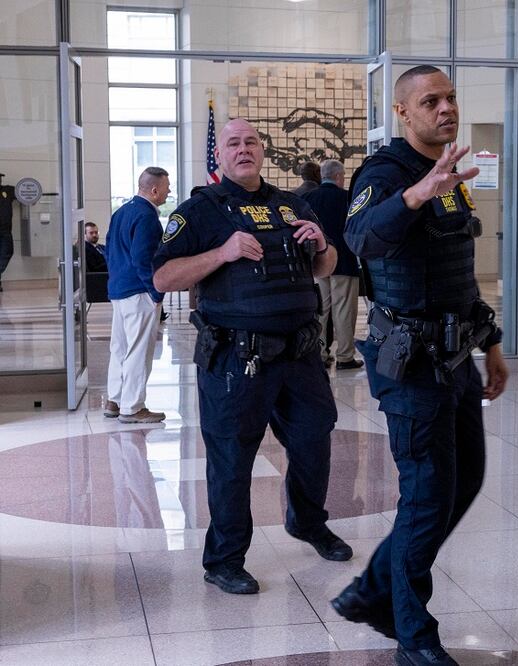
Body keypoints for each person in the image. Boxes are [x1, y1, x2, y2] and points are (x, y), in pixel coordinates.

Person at [331, 65, 509, 666]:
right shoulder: (384, 173)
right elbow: (360, 238)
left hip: (456, 359)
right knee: (428, 496)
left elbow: (458, 273)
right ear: (404, 112)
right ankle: (413, 634)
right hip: (409, 365)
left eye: (451, 98)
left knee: (464, 482)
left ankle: (370, 592)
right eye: (431, 101)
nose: (446, 108)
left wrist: (492, 343)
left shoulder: (452, 177)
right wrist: (414, 195)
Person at [152, 118, 351, 596]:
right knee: (232, 458)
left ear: (263, 150)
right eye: (234, 143)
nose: (244, 150)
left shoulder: (292, 204)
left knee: (313, 438)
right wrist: (220, 253)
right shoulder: (199, 211)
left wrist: (322, 245)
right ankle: (223, 560)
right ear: (219, 154)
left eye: (252, 142)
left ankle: (307, 522)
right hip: (236, 358)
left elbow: (326, 266)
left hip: (300, 355)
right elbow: (163, 278)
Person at [104, 167, 170, 423]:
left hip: (119, 289)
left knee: (119, 347)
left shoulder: (122, 211)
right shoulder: (146, 216)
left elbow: (109, 249)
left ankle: (115, 400)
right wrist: (155, 290)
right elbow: (143, 258)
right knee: (138, 350)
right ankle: (132, 407)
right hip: (139, 290)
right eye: (167, 187)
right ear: (154, 190)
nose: (169, 191)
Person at [303, 159, 363, 370]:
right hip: (344, 262)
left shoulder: (309, 198)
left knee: (321, 309)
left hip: (318, 263)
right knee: (344, 310)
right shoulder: (348, 198)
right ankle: (345, 356)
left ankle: (319, 353)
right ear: (338, 177)